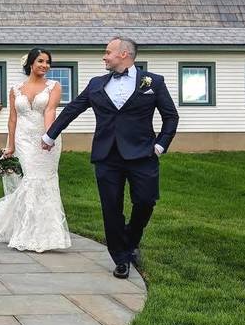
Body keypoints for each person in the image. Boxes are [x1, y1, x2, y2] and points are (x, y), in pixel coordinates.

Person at [42, 37, 178, 279]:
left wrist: (160, 145)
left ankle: (131, 240)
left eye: (108, 52)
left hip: (143, 154)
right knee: (111, 208)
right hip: (107, 156)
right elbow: (73, 108)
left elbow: (171, 116)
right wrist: (50, 135)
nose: (104, 57)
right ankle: (121, 257)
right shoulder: (96, 84)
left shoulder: (153, 82)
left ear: (124, 54)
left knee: (146, 201)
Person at [0, 48, 72, 252]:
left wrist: (49, 136)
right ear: (30, 64)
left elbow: (50, 110)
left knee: (44, 181)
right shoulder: (16, 89)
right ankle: (25, 230)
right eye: (40, 61)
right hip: (23, 139)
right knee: (30, 180)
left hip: (45, 139)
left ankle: (46, 233)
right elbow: (13, 118)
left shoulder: (54, 86)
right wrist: (10, 144)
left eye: (47, 62)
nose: (45, 65)